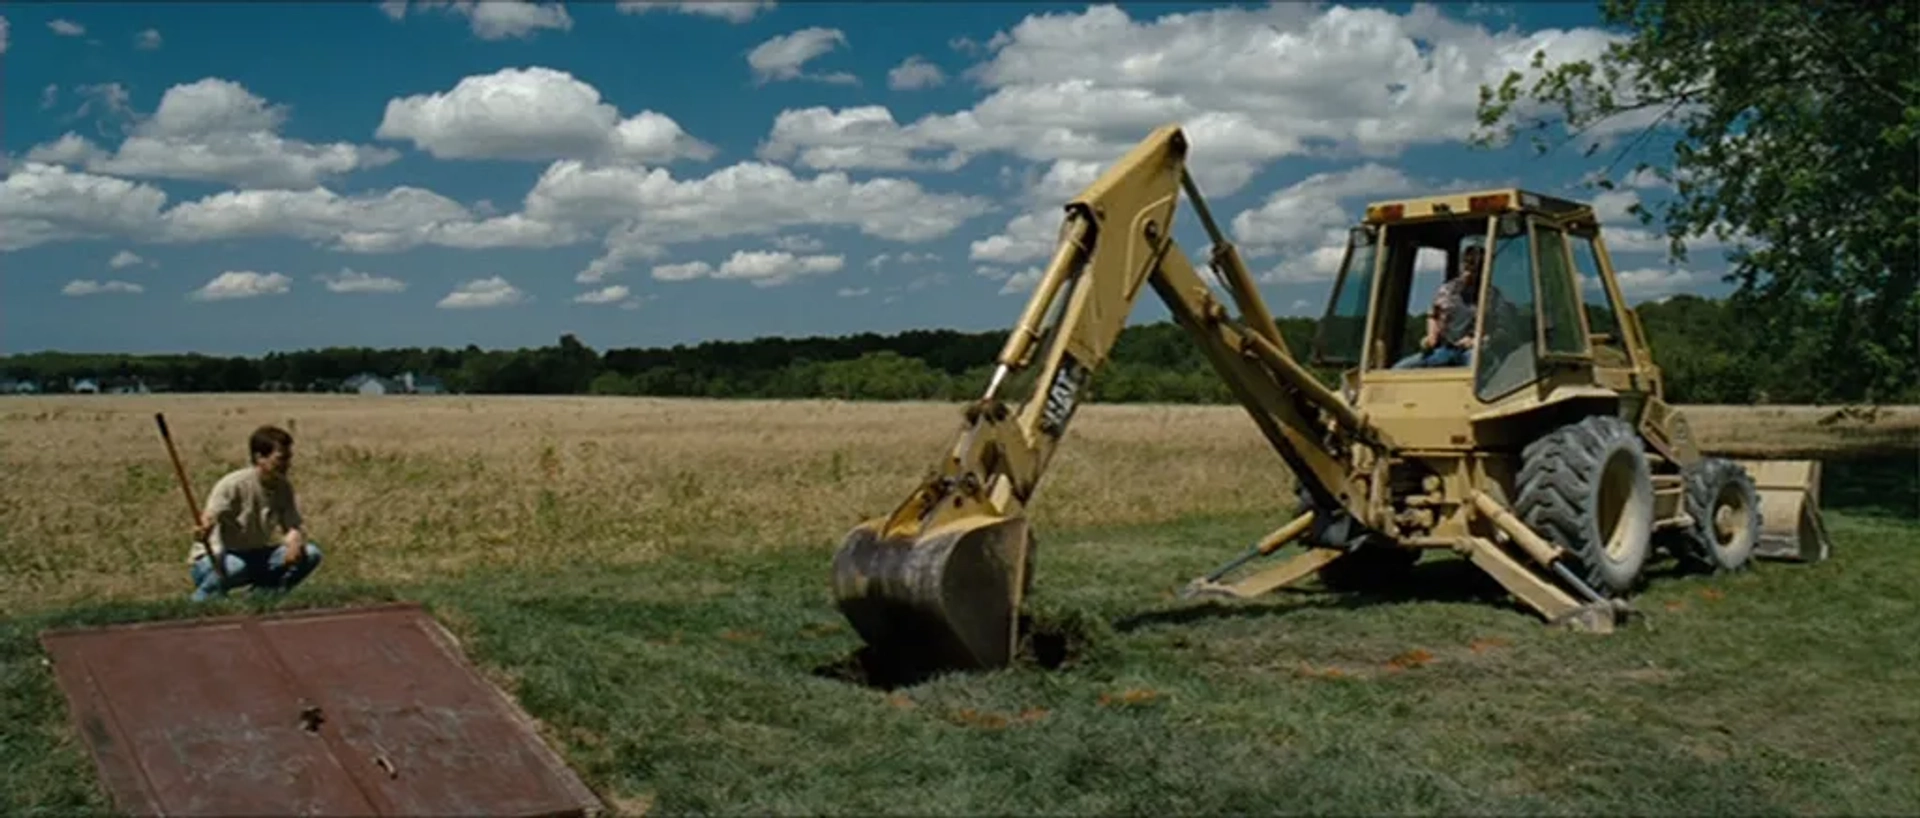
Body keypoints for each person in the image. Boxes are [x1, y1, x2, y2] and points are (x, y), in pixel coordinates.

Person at [187, 424, 322, 601]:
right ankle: (201, 600)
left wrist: (294, 542)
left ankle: (261, 597)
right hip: (217, 558)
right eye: (281, 458)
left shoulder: (283, 487)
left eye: (289, 458)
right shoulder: (234, 484)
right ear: (260, 457)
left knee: (311, 554)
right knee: (237, 566)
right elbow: (211, 515)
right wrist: (203, 529)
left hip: (255, 555)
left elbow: (292, 525)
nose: (287, 464)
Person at [1393, 243, 1484, 369]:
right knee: (1399, 369)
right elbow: (1433, 313)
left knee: (1474, 370)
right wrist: (1431, 335)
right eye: (1466, 263)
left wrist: (1476, 341)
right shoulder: (1448, 289)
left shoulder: (1491, 296)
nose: (1469, 268)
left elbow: (1500, 332)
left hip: (1473, 352)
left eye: (1474, 264)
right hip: (1445, 349)